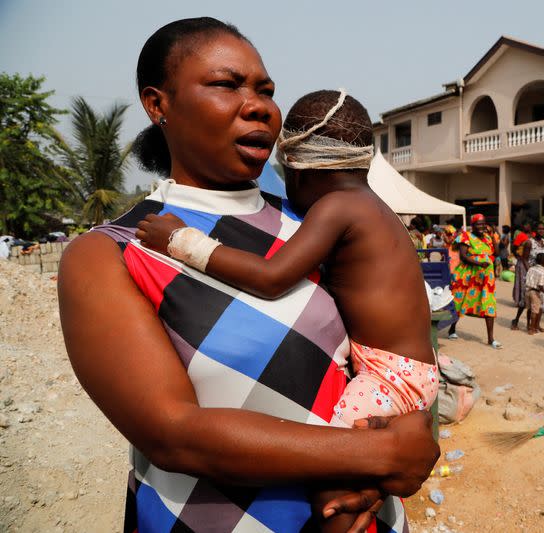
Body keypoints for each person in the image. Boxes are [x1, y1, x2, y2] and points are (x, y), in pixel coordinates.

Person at [57, 19, 438, 533]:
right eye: (226, 84)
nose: (258, 104)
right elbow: (174, 434)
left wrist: (389, 463)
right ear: (157, 103)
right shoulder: (113, 251)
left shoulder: (312, 222)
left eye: (266, 90)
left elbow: (394, 346)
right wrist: (378, 454)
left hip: (360, 513)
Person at [137, 89, 440, 530]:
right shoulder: (374, 207)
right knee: (359, 470)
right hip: (410, 369)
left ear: (302, 169)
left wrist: (181, 241)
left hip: (389, 375)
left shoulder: (336, 207)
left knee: (335, 481)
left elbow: (271, 277)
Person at [448, 213, 502, 348]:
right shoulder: (465, 236)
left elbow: (496, 253)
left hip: (486, 277)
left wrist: (494, 236)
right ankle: (452, 329)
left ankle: (491, 339)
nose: (481, 226)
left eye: (483, 223)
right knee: (459, 302)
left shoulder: (488, 237)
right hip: (468, 275)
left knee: (489, 303)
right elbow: (464, 256)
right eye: (478, 224)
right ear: (472, 225)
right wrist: (479, 264)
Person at [525, 252, 544, 334]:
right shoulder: (543, 271)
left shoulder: (531, 268)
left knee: (529, 309)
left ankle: (529, 325)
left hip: (527, 291)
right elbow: (540, 285)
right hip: (535, 292)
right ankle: (532, 329)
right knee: (535, 311)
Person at [511, 240, 532, 330]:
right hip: (526, 269)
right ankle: (524, 324)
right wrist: (530, 271)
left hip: (528, 268)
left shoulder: (540, 242)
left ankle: (525, 323)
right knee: (526, 297)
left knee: (528, 299)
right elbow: (524, 258)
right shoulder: (529, 242)